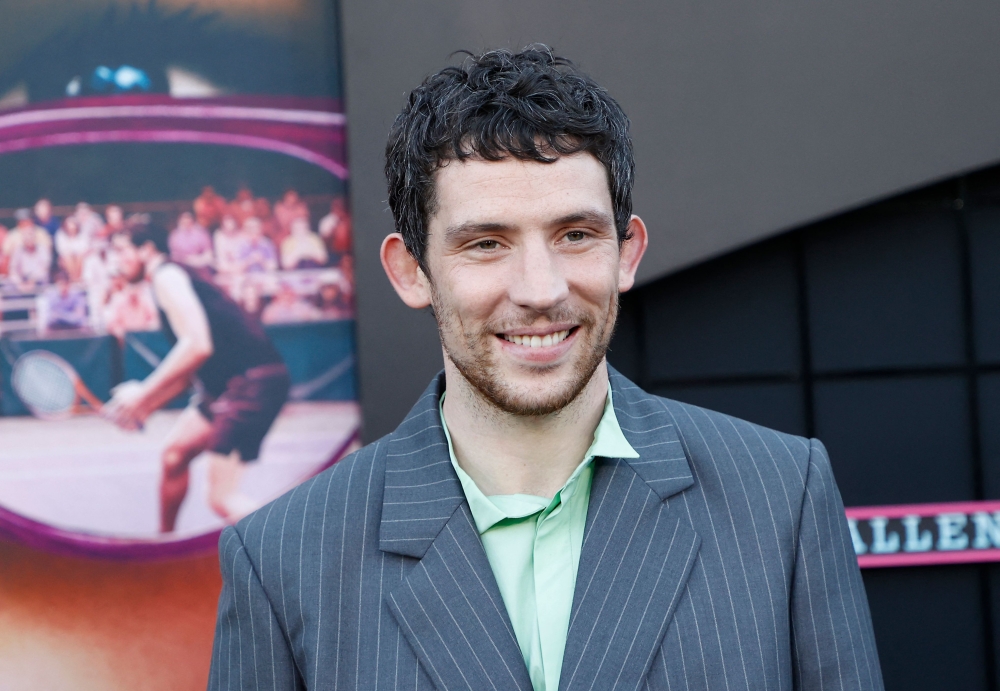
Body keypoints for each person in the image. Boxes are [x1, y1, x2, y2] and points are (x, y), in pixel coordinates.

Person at [208, 48, 883, 691]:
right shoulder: (282, 561)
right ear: (411, 271)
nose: (540, 288)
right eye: (486, 243)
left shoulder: (781, 498)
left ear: (627, 251)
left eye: (575, 235)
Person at [104, 226, 289, 533]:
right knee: (175, 455)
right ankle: (165, 545)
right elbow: (189, 370)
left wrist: (142, 393)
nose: (116, 261)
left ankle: (298, 547)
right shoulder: (172, 278)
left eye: (122, 251)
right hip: (231, 385)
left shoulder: (165, 275)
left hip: (250, 384)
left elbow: (197, 346)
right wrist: (145, 406)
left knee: (221, 497)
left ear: (147, 249)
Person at [8, 224, 51, 291]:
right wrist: (19, 283)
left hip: (39, 284)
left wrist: (33, 281)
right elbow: (13, 270)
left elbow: (45, 270)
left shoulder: (43, 249)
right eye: (26, 236)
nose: (29, 238)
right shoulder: (18, 250)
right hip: (21, 284)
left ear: (35, 237)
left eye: (31, 235)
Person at [54, 216, 88, 282]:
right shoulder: (60, 234)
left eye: (73, 228)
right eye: (69, 228)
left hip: (80, 257)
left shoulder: (82, 234)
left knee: (80, 257)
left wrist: (76, 255)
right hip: (65, 258)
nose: (71, 230)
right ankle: (73, 279)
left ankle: (78, 279)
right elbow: (62, 250)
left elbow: (84, 249)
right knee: (68, 258)